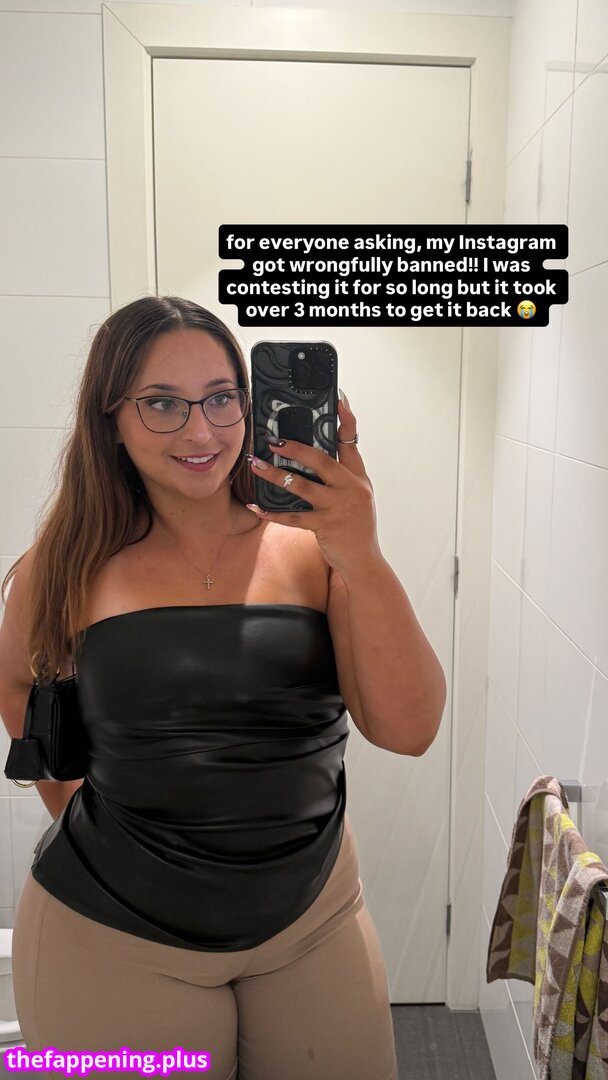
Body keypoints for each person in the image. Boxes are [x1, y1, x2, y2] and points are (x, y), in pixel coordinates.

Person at [0, 295, 446, 1080]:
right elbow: (16, 684)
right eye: (161, 403)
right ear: (111, 419)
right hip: (110, 929)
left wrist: (362, 554)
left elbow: (409, 730)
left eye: (219, 398)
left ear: (249, 402)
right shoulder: (66, 562)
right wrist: (77, 809)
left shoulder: (316, 548)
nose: (200, 432)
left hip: (311, 919)